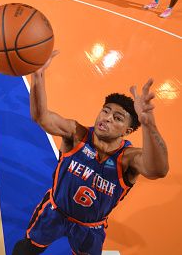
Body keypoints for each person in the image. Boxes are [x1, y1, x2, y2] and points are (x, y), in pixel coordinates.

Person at [12, 53, 169, 255]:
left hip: (90, 227)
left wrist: (148, 122)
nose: (107, 118)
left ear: (127, 131)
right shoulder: (77, 134)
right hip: (54, 211)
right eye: (105, 111)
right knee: (27, 249)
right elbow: (41, 117)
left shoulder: (128, 158)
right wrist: (38, 76)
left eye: (117, 117)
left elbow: (159, 170)